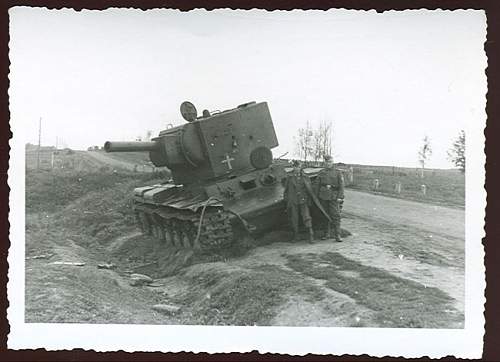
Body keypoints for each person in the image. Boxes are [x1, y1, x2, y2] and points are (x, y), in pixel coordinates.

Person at [314, 154, 345, 242]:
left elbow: (342, 186)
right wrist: (316, 197)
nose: (328, 163)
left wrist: (340, 196)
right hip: (323, 196)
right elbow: (317, 185)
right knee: (324, 215)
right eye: (327, 162)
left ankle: (337, 235)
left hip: (333, 197)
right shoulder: (321, 172)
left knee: (336, 215)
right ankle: (326, 234)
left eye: (330, 162)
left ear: (332, 162)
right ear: (325, 163)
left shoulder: (337, 172)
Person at [283, 160, 315, 243]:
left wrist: (308, 200)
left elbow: (309, 190)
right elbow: (286, 190)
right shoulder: (289, 177)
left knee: (306, 217)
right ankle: (296, 236)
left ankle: (311, 235)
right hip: (293, 200)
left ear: (301, 168)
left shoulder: (305, 177)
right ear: (293, 167)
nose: (297, 168)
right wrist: (287, 199)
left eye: (299, 167)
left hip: (303, 200)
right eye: (296, 167)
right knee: (294, 218)